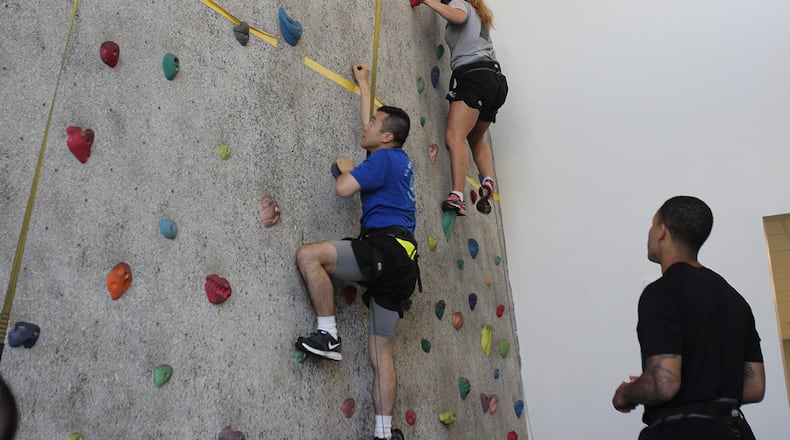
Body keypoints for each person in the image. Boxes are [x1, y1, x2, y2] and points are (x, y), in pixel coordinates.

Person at [294, 64, 419, 440]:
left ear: (387, 137)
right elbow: (370, 128)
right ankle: (384, 433)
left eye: (374, 124)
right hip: (405, 263)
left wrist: (344, 170)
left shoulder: (381, 160)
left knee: (308, 256)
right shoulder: (396, 160)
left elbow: (344, 189)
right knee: (381, 353)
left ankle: (328, 334)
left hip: (385, 248)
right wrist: (364, 85)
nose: (366, 126)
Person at [612, 196, 765, 440]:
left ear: (662, 231)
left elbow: (663, 384)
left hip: (682, 431)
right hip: (735, 431)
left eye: (652, 226)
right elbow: (755, 387)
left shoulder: (661, 292)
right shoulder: (734, 298)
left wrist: (626, 393)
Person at [414, 0, 508, 216]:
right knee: (476, 138)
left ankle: (457, 196)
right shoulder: (478, 11)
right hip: (495, 82)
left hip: (474, 77)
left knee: (454, 137)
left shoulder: (461, 3)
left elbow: (457, 16)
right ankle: (487, 180)